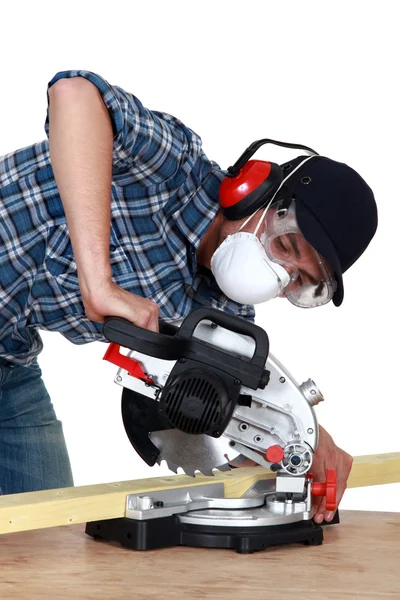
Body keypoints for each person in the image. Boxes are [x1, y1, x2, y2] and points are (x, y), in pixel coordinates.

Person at [0, 70, 377, 524]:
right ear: (252, 191)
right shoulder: (172, 169)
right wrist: (97, 281)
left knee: (44, 536)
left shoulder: (225, 315)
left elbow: (233, 425)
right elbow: (73, 93)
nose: (278, 276)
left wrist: (310, 441)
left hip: (10, 367)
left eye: (298, 280)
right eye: (286, 247)